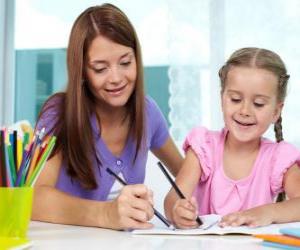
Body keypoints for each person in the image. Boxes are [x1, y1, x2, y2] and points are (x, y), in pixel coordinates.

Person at [32, 3, 183, 230]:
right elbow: (35, 200)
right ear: (82, 71)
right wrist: (106, 215)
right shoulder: (59, 114)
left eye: (125, 62)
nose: (116, 78)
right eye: (100, 68)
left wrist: (182, 204)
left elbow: (185, 175)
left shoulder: (147, 111)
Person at [164, 47, 300, 229]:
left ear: (276, 111)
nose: (245, 111)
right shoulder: (204, 147)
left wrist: (267, 212)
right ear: (222, 100)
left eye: (258, 104)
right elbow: (173, 199)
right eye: (235, 99)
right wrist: (177, 210)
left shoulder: (279, 157)